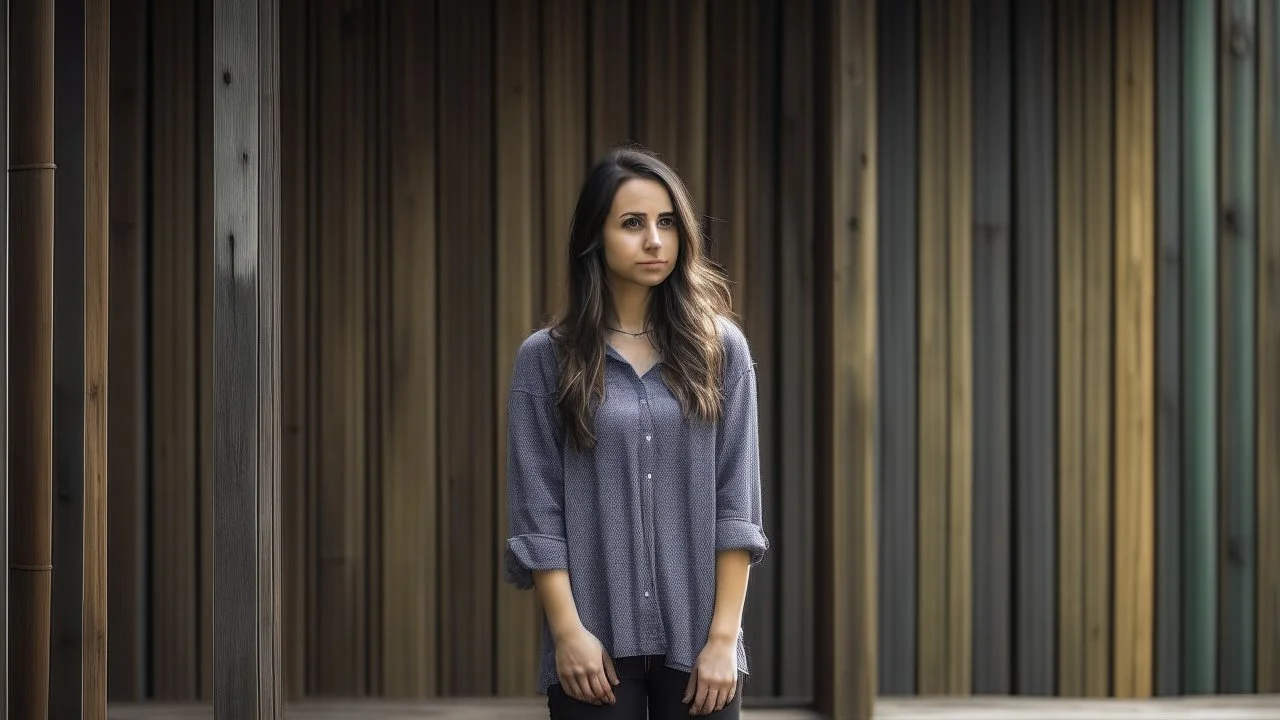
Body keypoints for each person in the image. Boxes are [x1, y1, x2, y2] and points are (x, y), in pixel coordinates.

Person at [502, 145, 769, 719]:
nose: (655, 240)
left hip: (701, 648)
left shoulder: (720, 350)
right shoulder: (546, 360)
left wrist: (724, 640)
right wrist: (567, 633)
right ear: (593, 238)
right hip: (591, 647)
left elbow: (737, 507)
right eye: (633, 224)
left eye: (667, 222)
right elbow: (537, 514)